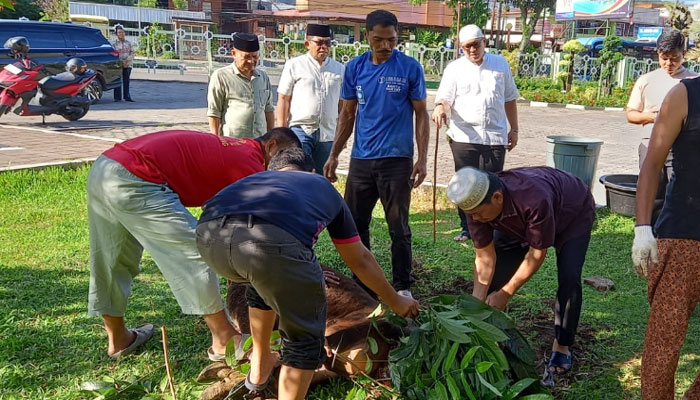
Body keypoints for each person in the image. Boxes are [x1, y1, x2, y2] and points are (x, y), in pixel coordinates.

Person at [196, 147, 420, 400]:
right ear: (312, 171)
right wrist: (396, 300)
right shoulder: (319, 184)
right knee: (303, 343)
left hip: (208, 238)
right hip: (267, 243)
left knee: (260, 286)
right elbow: (360, 260)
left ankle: (259, 367)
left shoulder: (255, 180)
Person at [87, 128, 301, 360]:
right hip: (139, 175)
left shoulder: (236, 149)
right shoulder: (251, 163)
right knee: (197, 250)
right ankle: (224, 339)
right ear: (271, 145)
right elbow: (261, 226)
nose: (283, 165)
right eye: (283, 156)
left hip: (106, 167)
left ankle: (118, 338)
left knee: (112, 256)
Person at [446, 166, 595, 384]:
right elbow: (485, 258)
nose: (474, 218)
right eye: (471, 214)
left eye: (478, 213)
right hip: (520, 221)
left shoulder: (534, 199)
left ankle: (562, 344)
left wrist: (506, 293)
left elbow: (536, 254)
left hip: (572, 212)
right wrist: (476, 306)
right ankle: (492, 333)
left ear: (497, 197)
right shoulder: (475, 206)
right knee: (496, 276)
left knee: (569, 277)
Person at [323, 10, 430, 299]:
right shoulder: (355, 68)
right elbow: (347, 114)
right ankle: (363, 283)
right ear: (367, 36)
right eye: (379, 40)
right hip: (361, 160)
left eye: (392, 40)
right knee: (355, 224)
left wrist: (421, 159)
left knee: (398, 226)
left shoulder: (409, 68)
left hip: (397, 160)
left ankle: (402, 286)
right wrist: (334, 154)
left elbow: (421, 114)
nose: (386, 46)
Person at [632, 76, 700, 400]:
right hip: (683, 238)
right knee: (664, 343)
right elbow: (653, 163)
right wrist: (642, 228)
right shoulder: (685, 94)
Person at [433, 24, 519, 243]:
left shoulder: (500, 65)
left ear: (484, 42)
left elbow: (510, 98)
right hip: (464, 136)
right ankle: (467, 228)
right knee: (466, 183)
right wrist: (440, 108)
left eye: (476, 44)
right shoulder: (454, 68)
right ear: (461, 47)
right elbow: (445, 97)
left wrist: (514, 129)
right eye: (466, 47)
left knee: (493, 183)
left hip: (495, 136)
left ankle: (493, 227)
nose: (472, 50)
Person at [626, 29, 697, 222]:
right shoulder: (647, 80)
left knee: (678, 194)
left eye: (674, 58)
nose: (668, 64)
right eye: (664, 58)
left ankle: (674, 231)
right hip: (649, 145)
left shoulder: (692, 82)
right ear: (657, 54)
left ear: (683, 54)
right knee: (652, 193)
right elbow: (631, 114)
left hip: (681, 149)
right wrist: (653, 117)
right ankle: (647, 228)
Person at [276, 23, 345, 174]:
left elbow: (342, 105)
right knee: (298, 173)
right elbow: (283, 98)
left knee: (321, 176)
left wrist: (341, 135)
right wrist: (282, 131)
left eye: (327, 43)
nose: (324, 47)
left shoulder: (339, 69)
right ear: (307, 44)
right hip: (300, 131)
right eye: (319, 43)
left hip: (328, 132)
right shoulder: (294, 65)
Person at [207, 32, 274, 137]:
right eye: (246, 57)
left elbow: (268, 110)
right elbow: (214, 112)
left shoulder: (263, 77)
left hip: (259, 140)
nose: (251, 61)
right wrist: (215, 140)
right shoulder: (221, 76)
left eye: (255, 56)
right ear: (233, 54)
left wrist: (271, 137)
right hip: (232, 140)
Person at [112, 25, 134, 102]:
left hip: (128, 64)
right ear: (116, 34)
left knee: (126, 80)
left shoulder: (129, 43)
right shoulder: (114, 44)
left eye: (122, 32)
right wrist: (121, 61)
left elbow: (132, 53)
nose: (121, 34)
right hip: (118, 64)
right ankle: (117, 97)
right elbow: (113, 53)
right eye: (119, 32)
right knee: (117, 80)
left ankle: (127, 96)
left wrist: (126, 61)